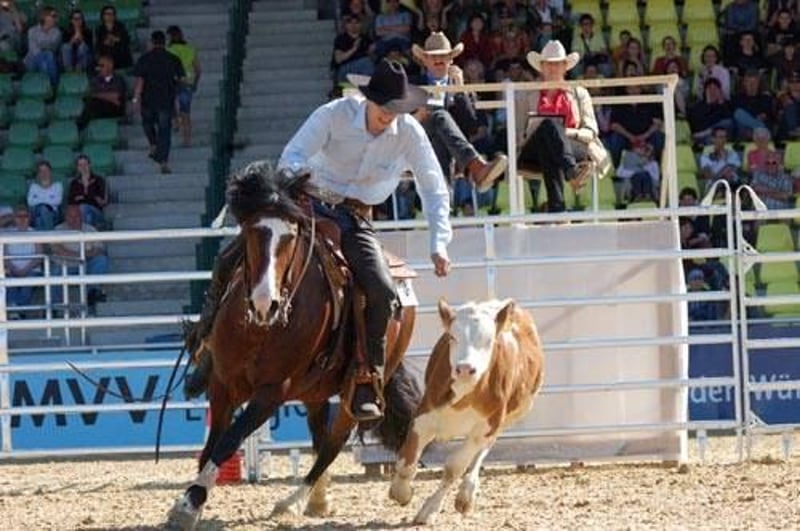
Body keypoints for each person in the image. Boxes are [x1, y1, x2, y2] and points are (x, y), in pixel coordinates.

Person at [184, 59, 453, 423]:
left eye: (396, 108)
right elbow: (292, 156)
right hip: (309, 204)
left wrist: (439, 243)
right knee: (232, 258)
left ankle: (366, 376)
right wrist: (304, 189)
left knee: (381, 289)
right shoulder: (334, 115)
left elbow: (433, 187)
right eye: (384, 107)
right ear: (369, 99)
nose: (389, 115)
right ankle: (207, 346)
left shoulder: (409, 133)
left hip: (355, 218)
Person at [411, 32, 507, 209]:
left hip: (450, 149)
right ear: (424, 60)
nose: (438, 59)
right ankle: (475, 168)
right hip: (417, 142)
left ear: (451, 60)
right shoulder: (412, 85)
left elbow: (472, 126)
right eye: (433, 56)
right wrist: (418, 116)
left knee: (441, 131)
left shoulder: (461, 88)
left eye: (443, 55)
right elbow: (399, 122)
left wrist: (460, 90)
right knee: (439, 117)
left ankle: (442, 207)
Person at [516, 40, 611, 213]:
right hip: (534, 148)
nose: (553, 68)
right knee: (547, 130)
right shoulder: (526, 95)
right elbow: (518, 133)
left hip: (573, 145)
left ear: (565, 67)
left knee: (550, 141)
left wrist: (563, 132)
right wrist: (545, 131)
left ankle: (557, 208)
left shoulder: (579, 93)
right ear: (541, 67)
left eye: (557, 64)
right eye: (548, 64)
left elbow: (591, 131)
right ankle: (572, 174)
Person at [132, 30, 185, 174]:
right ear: (165, 42)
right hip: (166, 100)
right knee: (164, 131)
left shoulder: (144, 58)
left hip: (148, 99)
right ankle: (163, 161)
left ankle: (153, 144)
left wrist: (136, 98)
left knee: (147, 123)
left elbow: (140, 80)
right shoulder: (173, 59)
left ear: (152, 42)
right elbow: (181, 79)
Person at [51, 203, 109, 309]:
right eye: (71, 216)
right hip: (65, 265)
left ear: (81, 216)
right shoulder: (58, 230)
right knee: (54, 273)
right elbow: (57, 250)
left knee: (101, 260)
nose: (74, 219)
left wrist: (76, 255)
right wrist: (83, 254)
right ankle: (55, 306)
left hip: (85, 264)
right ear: (65, 217)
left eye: (76, 216)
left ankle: (92, 293)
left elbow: (99, 249)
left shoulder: (90, 229)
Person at [3, 204, 42, 316]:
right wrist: (14, 269)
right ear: (14, 218)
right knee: (8, 280)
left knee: (28, 282)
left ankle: (17, 310)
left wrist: (25, 269)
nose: (22, 219)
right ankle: (18, 311)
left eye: (25, 216)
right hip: (11, 270)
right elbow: (4, 256)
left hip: (31, 270)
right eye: (19, 216)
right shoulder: (7, 234)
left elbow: (39, 256)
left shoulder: (36, 233)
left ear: (30, 218)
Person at [166, 25, 201, 148]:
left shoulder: (168, 50)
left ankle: (175, 122)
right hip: (187, 82)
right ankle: (187, 139)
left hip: (173, 81)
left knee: (169, 104)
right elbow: (198, 69)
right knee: (185, 112)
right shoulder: (190, 49)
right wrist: (195, 83)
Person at [76, 54, 126, 130]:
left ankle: (79, 126)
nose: (99, 68)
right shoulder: (96, 80)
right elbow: (90, 94)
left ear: (110, 66)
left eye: (102, 66)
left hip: (114, 109)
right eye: (98, 66)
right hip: (100, 107)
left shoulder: (118, 79)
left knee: (92, 104)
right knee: (92, 103)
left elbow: (116, 95)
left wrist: (98, 95)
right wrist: (107, 97)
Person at [66, 154, 107, 228]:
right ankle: (87, 232)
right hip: (78, 213)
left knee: (84, 208)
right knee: (86, 215)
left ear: (89, 165)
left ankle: (84, 232)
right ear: (77, 167)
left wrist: (83, 196)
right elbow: (71, 201)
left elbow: (102, 201)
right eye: (80, 165)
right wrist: (90, 196)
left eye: (85, 164)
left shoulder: (98, 180)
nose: (83, 167)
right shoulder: (74, 183)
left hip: (96, 211)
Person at [24, 6, 60, 87]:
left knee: (46, 60)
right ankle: (53, 86)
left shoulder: (56, 32)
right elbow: (34, 50)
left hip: (48, 60)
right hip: (32, 60)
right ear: (45, 17)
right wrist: (45, 49)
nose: (56, 19)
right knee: (46, 57)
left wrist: (43, 48)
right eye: (53, 16)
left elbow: (54, 48)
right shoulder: (32, 31)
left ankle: (46, 86)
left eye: (56, 16)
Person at [94, 4, 132, 70]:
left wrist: (115, 39)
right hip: (106, 53)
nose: (110, 16)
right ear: (103, 16)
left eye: (112, 14)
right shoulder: (99, 29)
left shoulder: (120, 26)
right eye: (107, 14)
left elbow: (126, 40)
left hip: (120, 53)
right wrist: (105, 42)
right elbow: (98, 44)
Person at [27, 161, 63, 230]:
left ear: (50, 172)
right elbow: (30, 202)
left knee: (42, 213)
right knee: (42, 211)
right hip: (36, 213)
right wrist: (49, 199)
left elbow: (57, 201)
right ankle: (49, 234)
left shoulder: (57, 186)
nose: (44, 173)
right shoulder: (33, 187)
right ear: (38, 173)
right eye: (41, 171)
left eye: (46, 170)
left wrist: (39, 199)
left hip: (53, 214)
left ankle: (40, 235)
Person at [60, 9, 91, 73]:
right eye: (75, 19)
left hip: (83, 59)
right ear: (71, 20)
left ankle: (80, 69)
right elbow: (64, 47)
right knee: (65, 47)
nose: (77, 21)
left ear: (82, 20)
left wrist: (81, 38)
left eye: (80, 18)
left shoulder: (87, 31)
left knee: (82, 47)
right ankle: (68, 70)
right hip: (70, 58)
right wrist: (72, 40)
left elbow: (90, 47)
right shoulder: (66, 32)